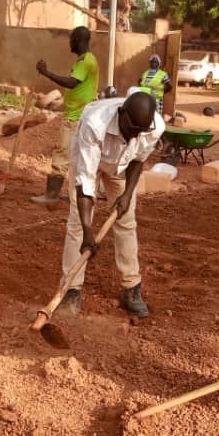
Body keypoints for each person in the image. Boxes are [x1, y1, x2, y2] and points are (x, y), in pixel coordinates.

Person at [55, 90, 165, 319]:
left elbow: (138, 159)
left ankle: (131, 287)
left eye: (139, 132)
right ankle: (71, 289)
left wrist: (127, 194)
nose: (135, 136)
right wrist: (88, 231)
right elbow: (85, 183)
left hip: (121, 166)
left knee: (126, 221)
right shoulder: (94, 124)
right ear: (121, 113)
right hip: (90, 162)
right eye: (131, 128)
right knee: (77, 225)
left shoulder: (153, 126)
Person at [32, 26, 100, 205]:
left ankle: (51, 195)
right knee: (77, 156)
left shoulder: (86, 61)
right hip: (80, 115)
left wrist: (47, 73)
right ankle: (74, 193)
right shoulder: (84, 60)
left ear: (77, 40)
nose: (69, 43)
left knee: (62, 153)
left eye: (71, 39)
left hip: (75, 117)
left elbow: (71, 83)